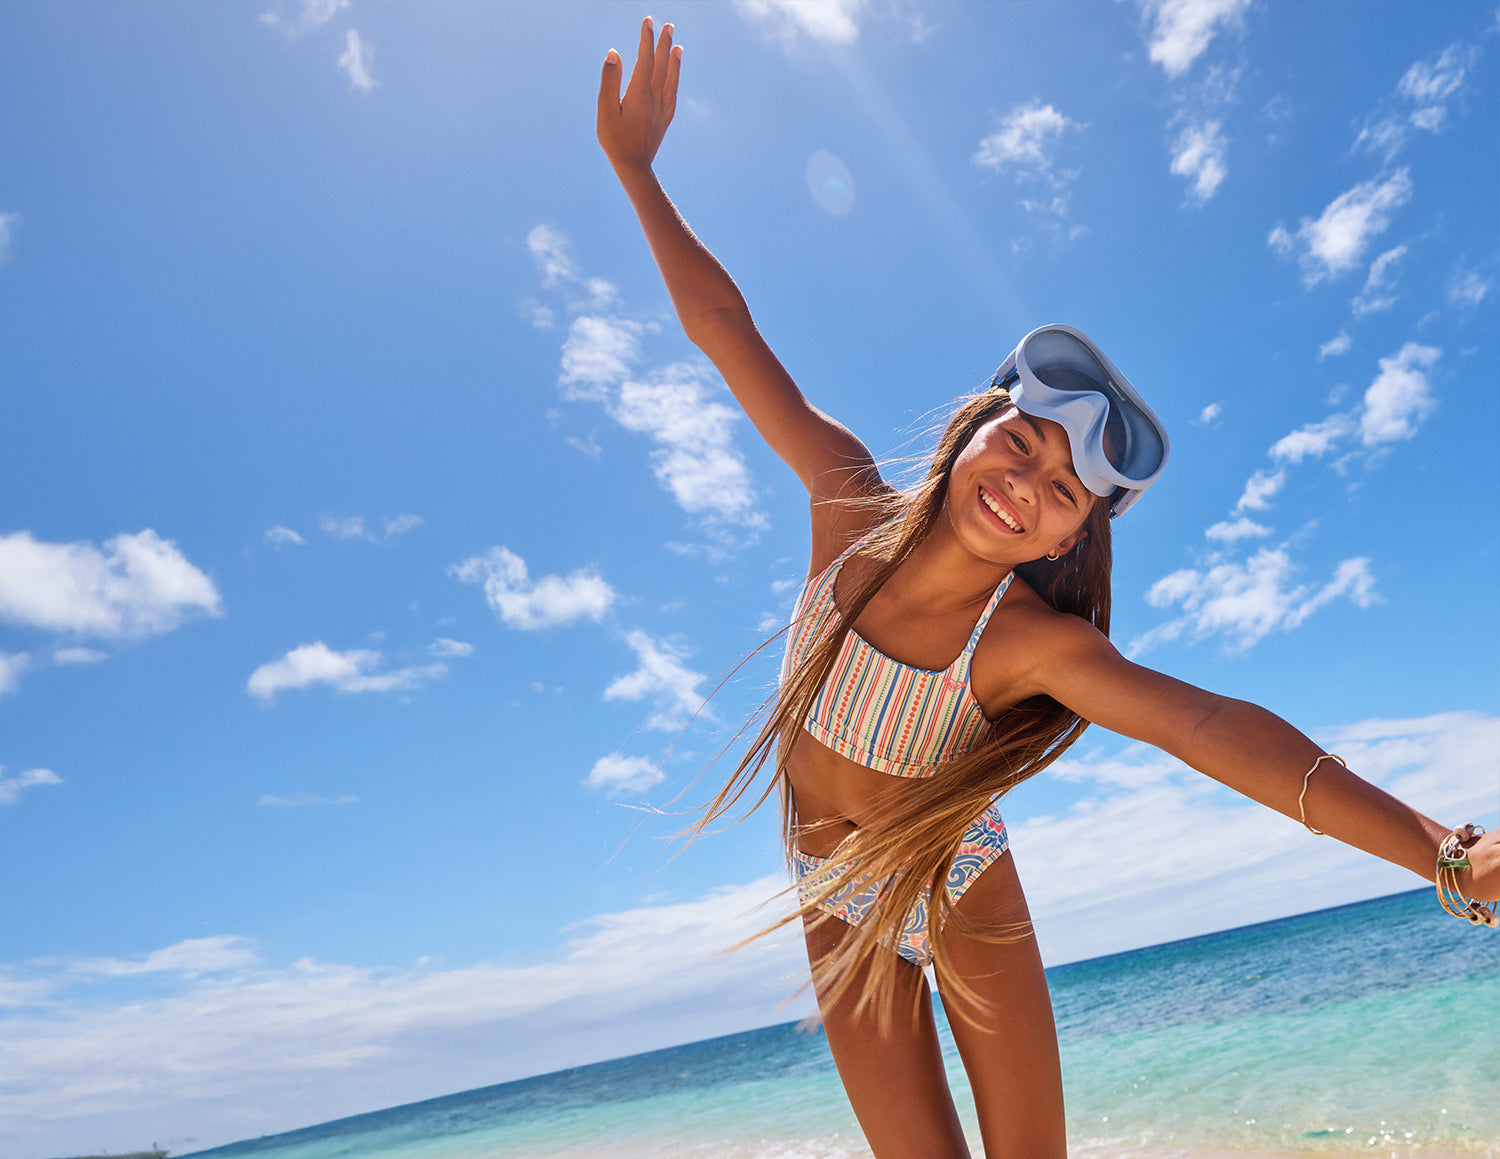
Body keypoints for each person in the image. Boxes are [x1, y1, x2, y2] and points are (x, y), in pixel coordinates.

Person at [595, 19, 1499, 1159]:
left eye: (1066, 491)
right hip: (839, 891)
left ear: (1070, 537)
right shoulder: (845, 507)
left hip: (957, 875)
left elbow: (1215, 728)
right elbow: (726, 330)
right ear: (980, 422)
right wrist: (636, 171)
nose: (1029, 484)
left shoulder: (1025, 642)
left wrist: (1441, 853)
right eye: (1023, 445)